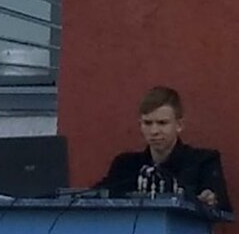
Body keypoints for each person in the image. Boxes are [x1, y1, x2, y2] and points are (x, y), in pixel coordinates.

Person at [95, 86, 232, 212]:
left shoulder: (203, 162)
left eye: (162, 123)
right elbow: (96, 197)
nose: (154, 131)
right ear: (140, 125)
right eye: (148, 123)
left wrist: (210, 200)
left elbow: (222, 206)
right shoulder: (125, 165)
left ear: (179, 125)